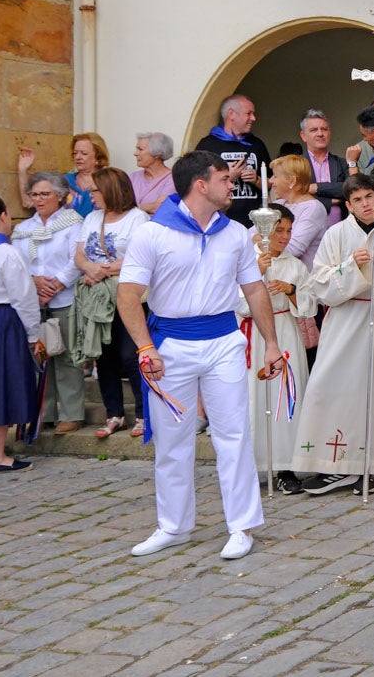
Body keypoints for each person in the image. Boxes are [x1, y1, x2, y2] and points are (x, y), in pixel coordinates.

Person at [117, 151, 286, 561]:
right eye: (225, 179)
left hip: (224, 340)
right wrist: (145, 347)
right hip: (170, 344)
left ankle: (241, 526)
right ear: (200, 184)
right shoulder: (152, 234)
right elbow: (128, 295)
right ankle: (173, 526)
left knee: (233, 434)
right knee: (173, 439)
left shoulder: (235, 234)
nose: (233, 185)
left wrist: (271, 343)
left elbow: (255, 290)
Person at [291, 173, 374, 495]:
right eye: (358, 200)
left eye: (370, 196)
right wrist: (350, 266)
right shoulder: (335, 234)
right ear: (349, 205)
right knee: (331, 387)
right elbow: (319, 284)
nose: (366, 204)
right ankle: (337, 465)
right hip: (345, 320)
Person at [237, 203, 315, 495]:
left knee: (285, 396)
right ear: (264, 231)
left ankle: (286, 466)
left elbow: (310, 304)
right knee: (255, 399)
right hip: (256, 335)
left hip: (285, 334)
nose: (285, 237)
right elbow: (235, 301)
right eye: (279, 230)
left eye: (289, 231)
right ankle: (251, 464)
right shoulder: (246, 260)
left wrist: (292, 290)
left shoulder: (295, 265)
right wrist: (255, 274)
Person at [73, 168, 149, 440]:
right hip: (98, 297)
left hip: (127, 295)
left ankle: (143, 414)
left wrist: (103, 270)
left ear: (110, 191)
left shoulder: (137, 218)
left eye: (95, 190)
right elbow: (79, 255)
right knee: (103, 354)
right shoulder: (93, 218)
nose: (90, 195)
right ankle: (114, 413)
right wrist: (90, 269)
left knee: (131, 355)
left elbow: (141, 257)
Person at [11, 171, 83, 434]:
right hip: (32, 299)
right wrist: (33, 282)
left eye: (45, 194)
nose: (39, 199)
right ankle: (46, 411)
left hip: (63, 296)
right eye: (34, 194)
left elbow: (77, 259)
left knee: (65, 355)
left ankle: (72, 412)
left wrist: (54, 285)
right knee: (40, 355)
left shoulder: (73, 223)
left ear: (60, 196)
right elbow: (16, 264)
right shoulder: (23, 229)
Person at [0, 193, 40, 472]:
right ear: (3, 217)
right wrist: (33, 334)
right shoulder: (6, 253)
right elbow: (24, 297)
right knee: (1, 382)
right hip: (1, 320)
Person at [196, 94, 272, 226]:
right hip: (219, 220)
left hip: (254, 223)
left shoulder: (256, 144)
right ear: (231, 114)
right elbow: (197, 185)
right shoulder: (207, 145)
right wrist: (228, 177)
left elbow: (272, 183)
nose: (253, 118)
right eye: (249, 113)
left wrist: (257, 180)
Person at [18, 133, 109, 219]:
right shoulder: (64, 181)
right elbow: (28, 202)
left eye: (84, 153)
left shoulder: (109, 182)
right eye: (75, 153)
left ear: (98, 156)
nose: (78, 157)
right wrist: (22, 170)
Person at [267, 154, 327, 269]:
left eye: (275, 176)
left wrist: (263, 241)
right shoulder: (279, 204)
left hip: (302, 281)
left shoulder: (313, 208)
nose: (271, 181)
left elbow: (294, 249)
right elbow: (249, 234)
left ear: (292, 181)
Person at [299, 110, 350, 228]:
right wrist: (331, 201)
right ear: (303, 136)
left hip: (338, 231)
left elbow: (348, 189)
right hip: (306, 230)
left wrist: (315, 188)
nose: (320, 133)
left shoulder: (341, 163)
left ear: (329, 133)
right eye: (314, 130)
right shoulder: (295, 165)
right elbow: (295, 197)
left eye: (324, 129)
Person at [130, 133, 176, 216]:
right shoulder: (133, 177)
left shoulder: (172, 179)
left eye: (140, 149)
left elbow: (160, 207)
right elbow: (118, 205)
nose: (135, 153)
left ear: (157, 153)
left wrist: (131, 208)